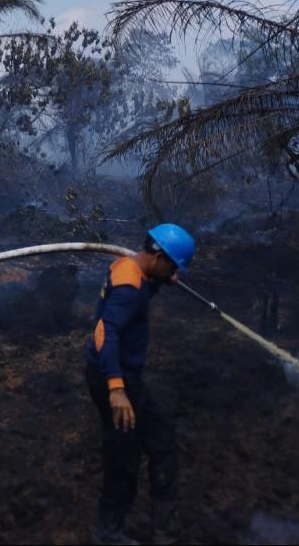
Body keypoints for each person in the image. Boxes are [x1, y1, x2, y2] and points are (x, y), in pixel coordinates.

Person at [85, 223, 196, 545]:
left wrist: (162, 281)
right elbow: (105, 332)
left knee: (163, 444)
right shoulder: (129, 287)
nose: (174, 271)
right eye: (173, 266)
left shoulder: (128, 268)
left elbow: (143, 289)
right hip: (114, 377)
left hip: (123, 375)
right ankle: (108, 534)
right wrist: (116, 389)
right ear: (158, 256)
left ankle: (162, 529)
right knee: (123, 458)